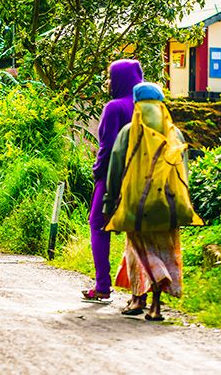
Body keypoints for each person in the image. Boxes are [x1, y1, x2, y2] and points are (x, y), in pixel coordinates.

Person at [104, 82, 202, 321]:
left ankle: (140, 298)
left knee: (139, 253)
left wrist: (109, 204)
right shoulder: (175, 134)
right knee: (164, 251)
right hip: (169, 207)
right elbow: (184, 173)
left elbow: (116, 169)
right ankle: (155, 305)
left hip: (136, 206)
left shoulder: (129, 132)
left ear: (137, 104)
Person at [82, 58, 144, 303]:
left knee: (97, 223)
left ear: (119, 80)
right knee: (137, 231)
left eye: (110, 77)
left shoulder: (114, 107)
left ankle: (102, 285)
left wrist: (98, 173)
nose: (107, 82)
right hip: (144, 177)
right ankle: (140, 292)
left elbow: (106, 149)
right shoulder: (148, 107)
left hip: (112, 177)